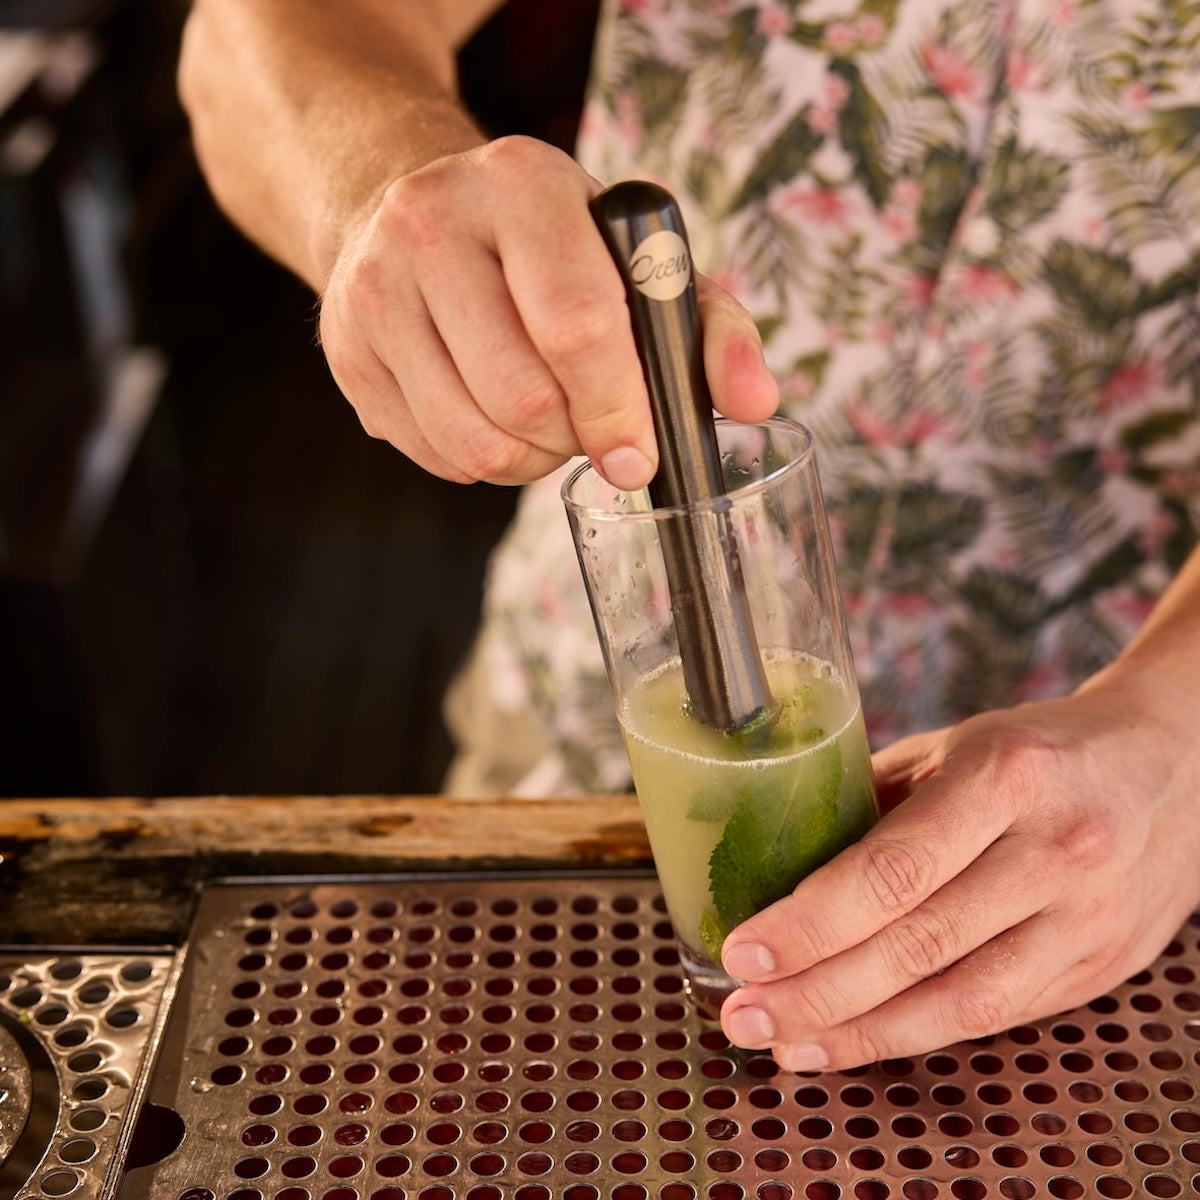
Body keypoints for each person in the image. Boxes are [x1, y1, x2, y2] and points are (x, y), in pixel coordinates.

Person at [177, 0, 1200, 1071]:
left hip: (1110, 825)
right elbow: (258, 35)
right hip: (584, 725)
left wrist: (1173, 723)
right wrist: (375, 189)